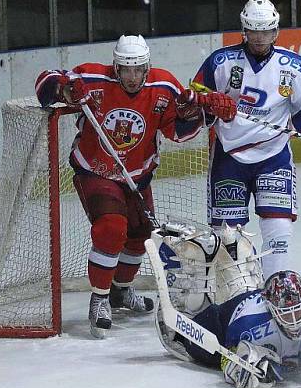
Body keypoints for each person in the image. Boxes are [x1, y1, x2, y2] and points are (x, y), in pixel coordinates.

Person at [35, 34, 237, 339]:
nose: (131, 77)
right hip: (96, 171)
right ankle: (100, 298)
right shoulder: (92, 77)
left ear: (147, 67)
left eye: (138, 70)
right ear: (116, 67)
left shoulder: (164, 86)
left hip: (137, 175)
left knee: (140, 234)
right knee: (112, 228)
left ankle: (120, 291)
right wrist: (63, 87)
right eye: (125, 69)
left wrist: (205, 113)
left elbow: (176, 132)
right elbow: (43, 85)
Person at [190, 0, 301, 285]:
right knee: (228, 237)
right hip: (229, 158)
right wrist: (210, 104)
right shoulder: (221, 62)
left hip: (273, 156)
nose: (259, 38)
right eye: (253, 32)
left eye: (266, 32)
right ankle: (236, 293)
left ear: (275, 31)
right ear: (244, 30)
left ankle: (275, 288)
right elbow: (191, 102)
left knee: (278, 229)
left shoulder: (293, 67)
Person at [149, 223, 301, 388]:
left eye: (297, 310)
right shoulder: (247, 325)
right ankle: (205, 271)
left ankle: (237, 259)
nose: (293, 319)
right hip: (229, 314)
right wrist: (240, 368)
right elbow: (227, 357)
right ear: (271, 307)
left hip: (255, 308)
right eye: (285, 312)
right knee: (192, 347)